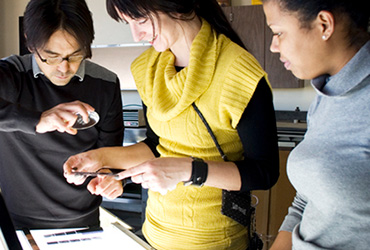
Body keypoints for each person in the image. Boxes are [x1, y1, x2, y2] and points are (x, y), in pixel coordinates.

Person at [64, 0, 279, 249]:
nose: (136, 35)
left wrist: (188, 171)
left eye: (141, 20)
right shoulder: (147, 69)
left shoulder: (239, 73)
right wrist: (100, 158)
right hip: (155, 233)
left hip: (214, 240)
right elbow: (156, 145)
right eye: (128, 23)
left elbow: (264, 173)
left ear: (175, 5)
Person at [0, 0, 124, 229]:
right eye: (52, 56)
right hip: (18, 221)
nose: (64, 68)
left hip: (84, 221)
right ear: (29, 42)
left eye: (75, 55)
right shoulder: (11, 74)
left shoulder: (105, 84)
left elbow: (110, 153)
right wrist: (37, 120)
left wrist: (109, 178)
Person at [261, 0, 370, 249]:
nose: (273, 46)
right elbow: (308, 199)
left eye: (278, 32)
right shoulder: (326, 93)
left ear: (324, 24)